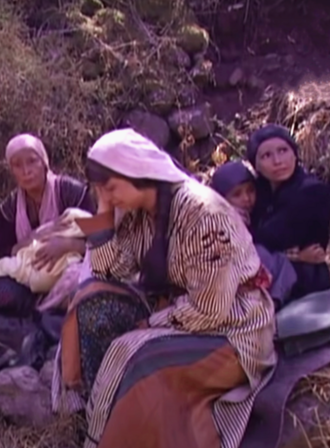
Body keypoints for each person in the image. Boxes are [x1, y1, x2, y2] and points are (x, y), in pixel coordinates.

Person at [52, 128, 276, 448]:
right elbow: (108, 269)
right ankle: (94, 414)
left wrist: (152, 324)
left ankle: (109, 438)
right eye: (100, 190)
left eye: (111, 187)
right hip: (176, 313)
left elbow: (211, 309)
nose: (108, 196)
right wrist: (102, 213)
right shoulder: (138, 214)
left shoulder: (204, 213)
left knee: (136, 355)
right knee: (89, 301)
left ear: (137, 172)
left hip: (233, 327)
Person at [0, 133, 94, 326]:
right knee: (0, 292)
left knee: (77, 282)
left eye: (32, 161)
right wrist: (36, 237)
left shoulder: (71, 192)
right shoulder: (9, 208)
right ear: (11, 170)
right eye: (17, 165)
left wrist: (67, 244)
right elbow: (3, 255)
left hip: (69, 274)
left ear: (44, 162)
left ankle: (46, 320)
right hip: (29, 282)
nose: (26, 171)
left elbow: (104, 240)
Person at [209, 161, 321, 307]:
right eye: (237, 194)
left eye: (250, 190)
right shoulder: (218, 219)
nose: (246, 198)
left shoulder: (257, 214)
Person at [247, 124, 330, 298]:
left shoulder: (313, 192)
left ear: (295, 154)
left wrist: (288, 256)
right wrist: (296, 255)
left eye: (283, 150)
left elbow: (268, 238)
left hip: (305, 286)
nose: (278, 161)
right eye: (266, 155)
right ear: (255, 165)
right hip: (258, 286)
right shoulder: (255, 192)